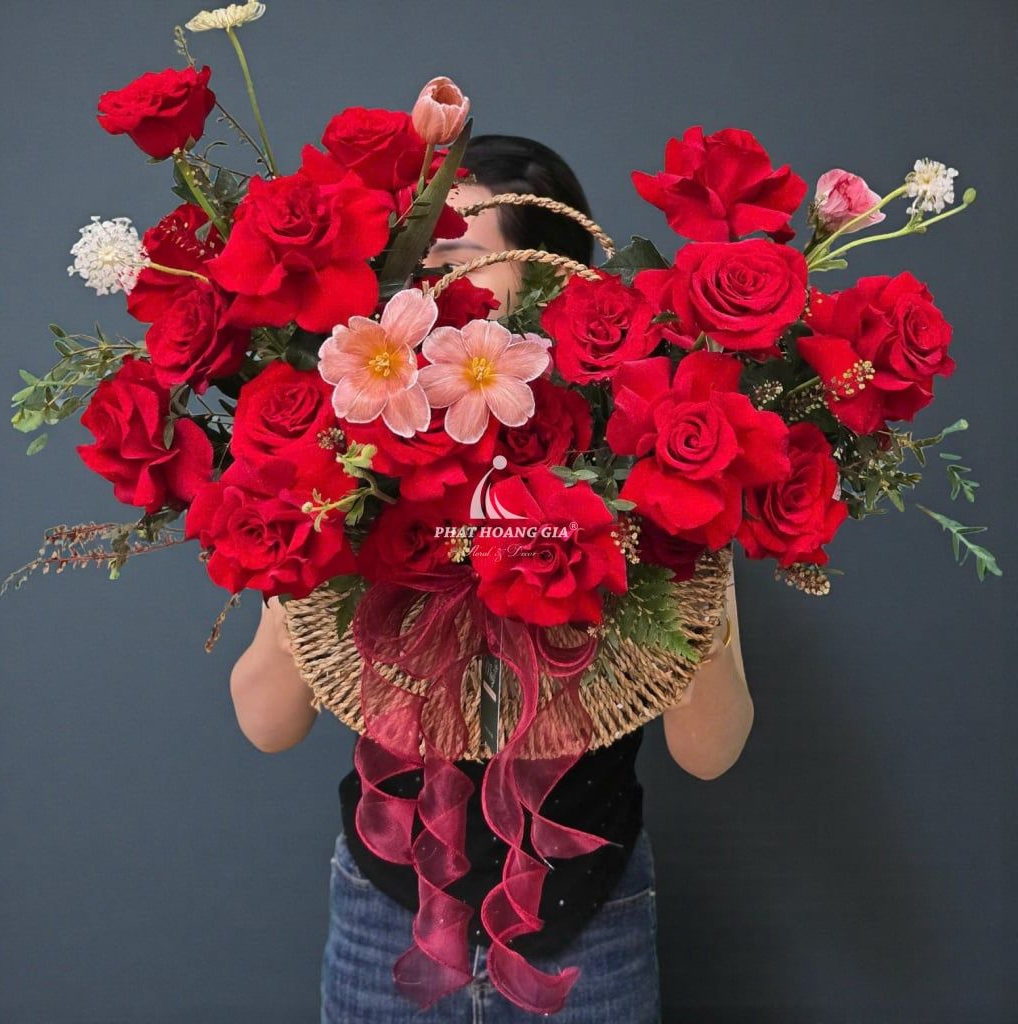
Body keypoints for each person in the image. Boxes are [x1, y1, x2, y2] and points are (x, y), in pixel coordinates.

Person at [229, 134, 755, 1023]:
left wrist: (685, 552)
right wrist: (304, 549)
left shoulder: (639, 464)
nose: (429, 277)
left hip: (590, 918)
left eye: (459, 255)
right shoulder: (354, 455)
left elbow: (711, 752)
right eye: (416, 255)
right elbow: (267, 723)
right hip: (385, 914)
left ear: (546, 279)